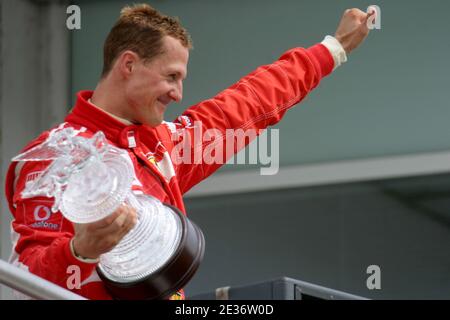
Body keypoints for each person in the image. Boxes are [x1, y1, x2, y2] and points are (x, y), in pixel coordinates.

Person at [4, 4, 373, 300]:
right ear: (128, 65)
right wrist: (79, 251)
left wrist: (333, 49)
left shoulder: (165, 145)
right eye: (171, 77)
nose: (178, 94)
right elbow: (27, 279)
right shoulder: (55, 156)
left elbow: (250, 103)